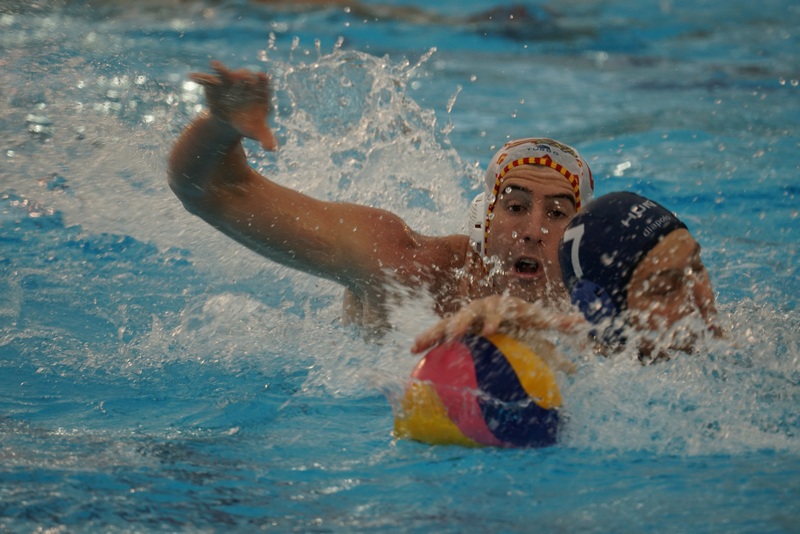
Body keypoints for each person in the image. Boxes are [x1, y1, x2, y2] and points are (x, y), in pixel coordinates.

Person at [167, 62, 593, 333]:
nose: (534, 230)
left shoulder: (601, 310)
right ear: (483, 219)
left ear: (579, 236)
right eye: (515, 207)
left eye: (556, 214)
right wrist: (220, 125)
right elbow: (210, 191)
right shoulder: (405, 268)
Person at [413, 192, 722, 362]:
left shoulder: (744, 338)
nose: (700, 298)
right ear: (603, 312)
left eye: (696, 267)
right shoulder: (582, 375)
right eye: (665, 288)